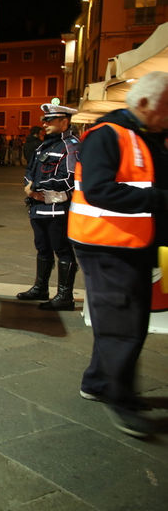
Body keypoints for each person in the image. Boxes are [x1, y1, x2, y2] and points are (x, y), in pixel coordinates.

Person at [67, 71, 168, 438]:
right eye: (165, 107)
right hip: (106, 243)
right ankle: (120, 399)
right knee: (125, 326)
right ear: (142, 104)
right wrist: (159, 200)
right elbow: (98, 191)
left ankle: (97, 382)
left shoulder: (147, 136)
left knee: (123, 320)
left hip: (134, 243)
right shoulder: (107, 135)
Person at [17, 104, 80, 310]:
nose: (45, 124)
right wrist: (29, 186)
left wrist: (38, 187)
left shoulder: (70, 146)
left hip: (57, 208)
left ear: (64, 122)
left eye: (50, 121)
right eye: (45, 121)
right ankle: (40, 288)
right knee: (42, 248)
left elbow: (70, 179)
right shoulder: (42, 146)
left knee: (62, 250)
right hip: (37, 207)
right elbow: (30, 170)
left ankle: (65, 296)